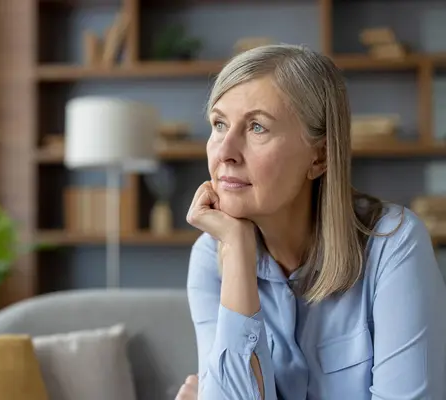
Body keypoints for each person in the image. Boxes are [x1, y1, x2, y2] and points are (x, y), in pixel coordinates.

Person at [178, 44, 446, 399]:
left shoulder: (394, 244)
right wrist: (239, 252)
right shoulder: (210, 256)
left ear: (319, 157)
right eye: (219, 123)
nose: (225, 151)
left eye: (257, 127)